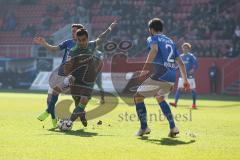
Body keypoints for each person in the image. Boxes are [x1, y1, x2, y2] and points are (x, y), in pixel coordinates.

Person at [133, 18, 189, 137]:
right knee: (160, 97)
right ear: (162, 29)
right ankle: (173, 127)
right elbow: (181, 63)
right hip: (171, 77)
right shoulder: (171, 42)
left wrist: (144, 69)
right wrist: (185, 80)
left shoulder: (152, 38)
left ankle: (144, 128)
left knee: (138, 97)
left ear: (151, 30)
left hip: (160, 75)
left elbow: (154, 50)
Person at [63, 21, 117, 127]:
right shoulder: (73, 51)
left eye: (84, 40)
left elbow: (102, 37)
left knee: (83, 101)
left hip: (89, 80)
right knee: (78, 104)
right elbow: (67, 67)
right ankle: (82, 115)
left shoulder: (92, 45)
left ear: (87, 39)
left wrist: (110, 27)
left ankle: (69, 122)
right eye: (79, 40)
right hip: (76, 79)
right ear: (76, 40)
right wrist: (69, 76)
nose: (82, 42)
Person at [33, 24, 84, 128]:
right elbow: (54, 49)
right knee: (49, 98)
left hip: (72, 74)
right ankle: (54, 121)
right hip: (60, 72)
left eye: (75, 31)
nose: (73, 32)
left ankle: (48, 112)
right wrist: (44, 43)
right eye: (72, 31)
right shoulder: (68, 42)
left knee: (73, 98)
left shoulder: (84, 45)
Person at [170, 43, 199, 109]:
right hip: (182, 76)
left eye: (186, 48)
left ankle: (194, 104)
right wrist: (174, 69)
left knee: (193, 90)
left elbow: (196, 65)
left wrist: (193, 69)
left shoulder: (191, 56)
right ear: (182, 48)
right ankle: (175, 103)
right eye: (183, 47)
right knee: (179, 89)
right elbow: (179, 65)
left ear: (189, 49)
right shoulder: (181, 56)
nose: (185, 49)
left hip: (190, 77)